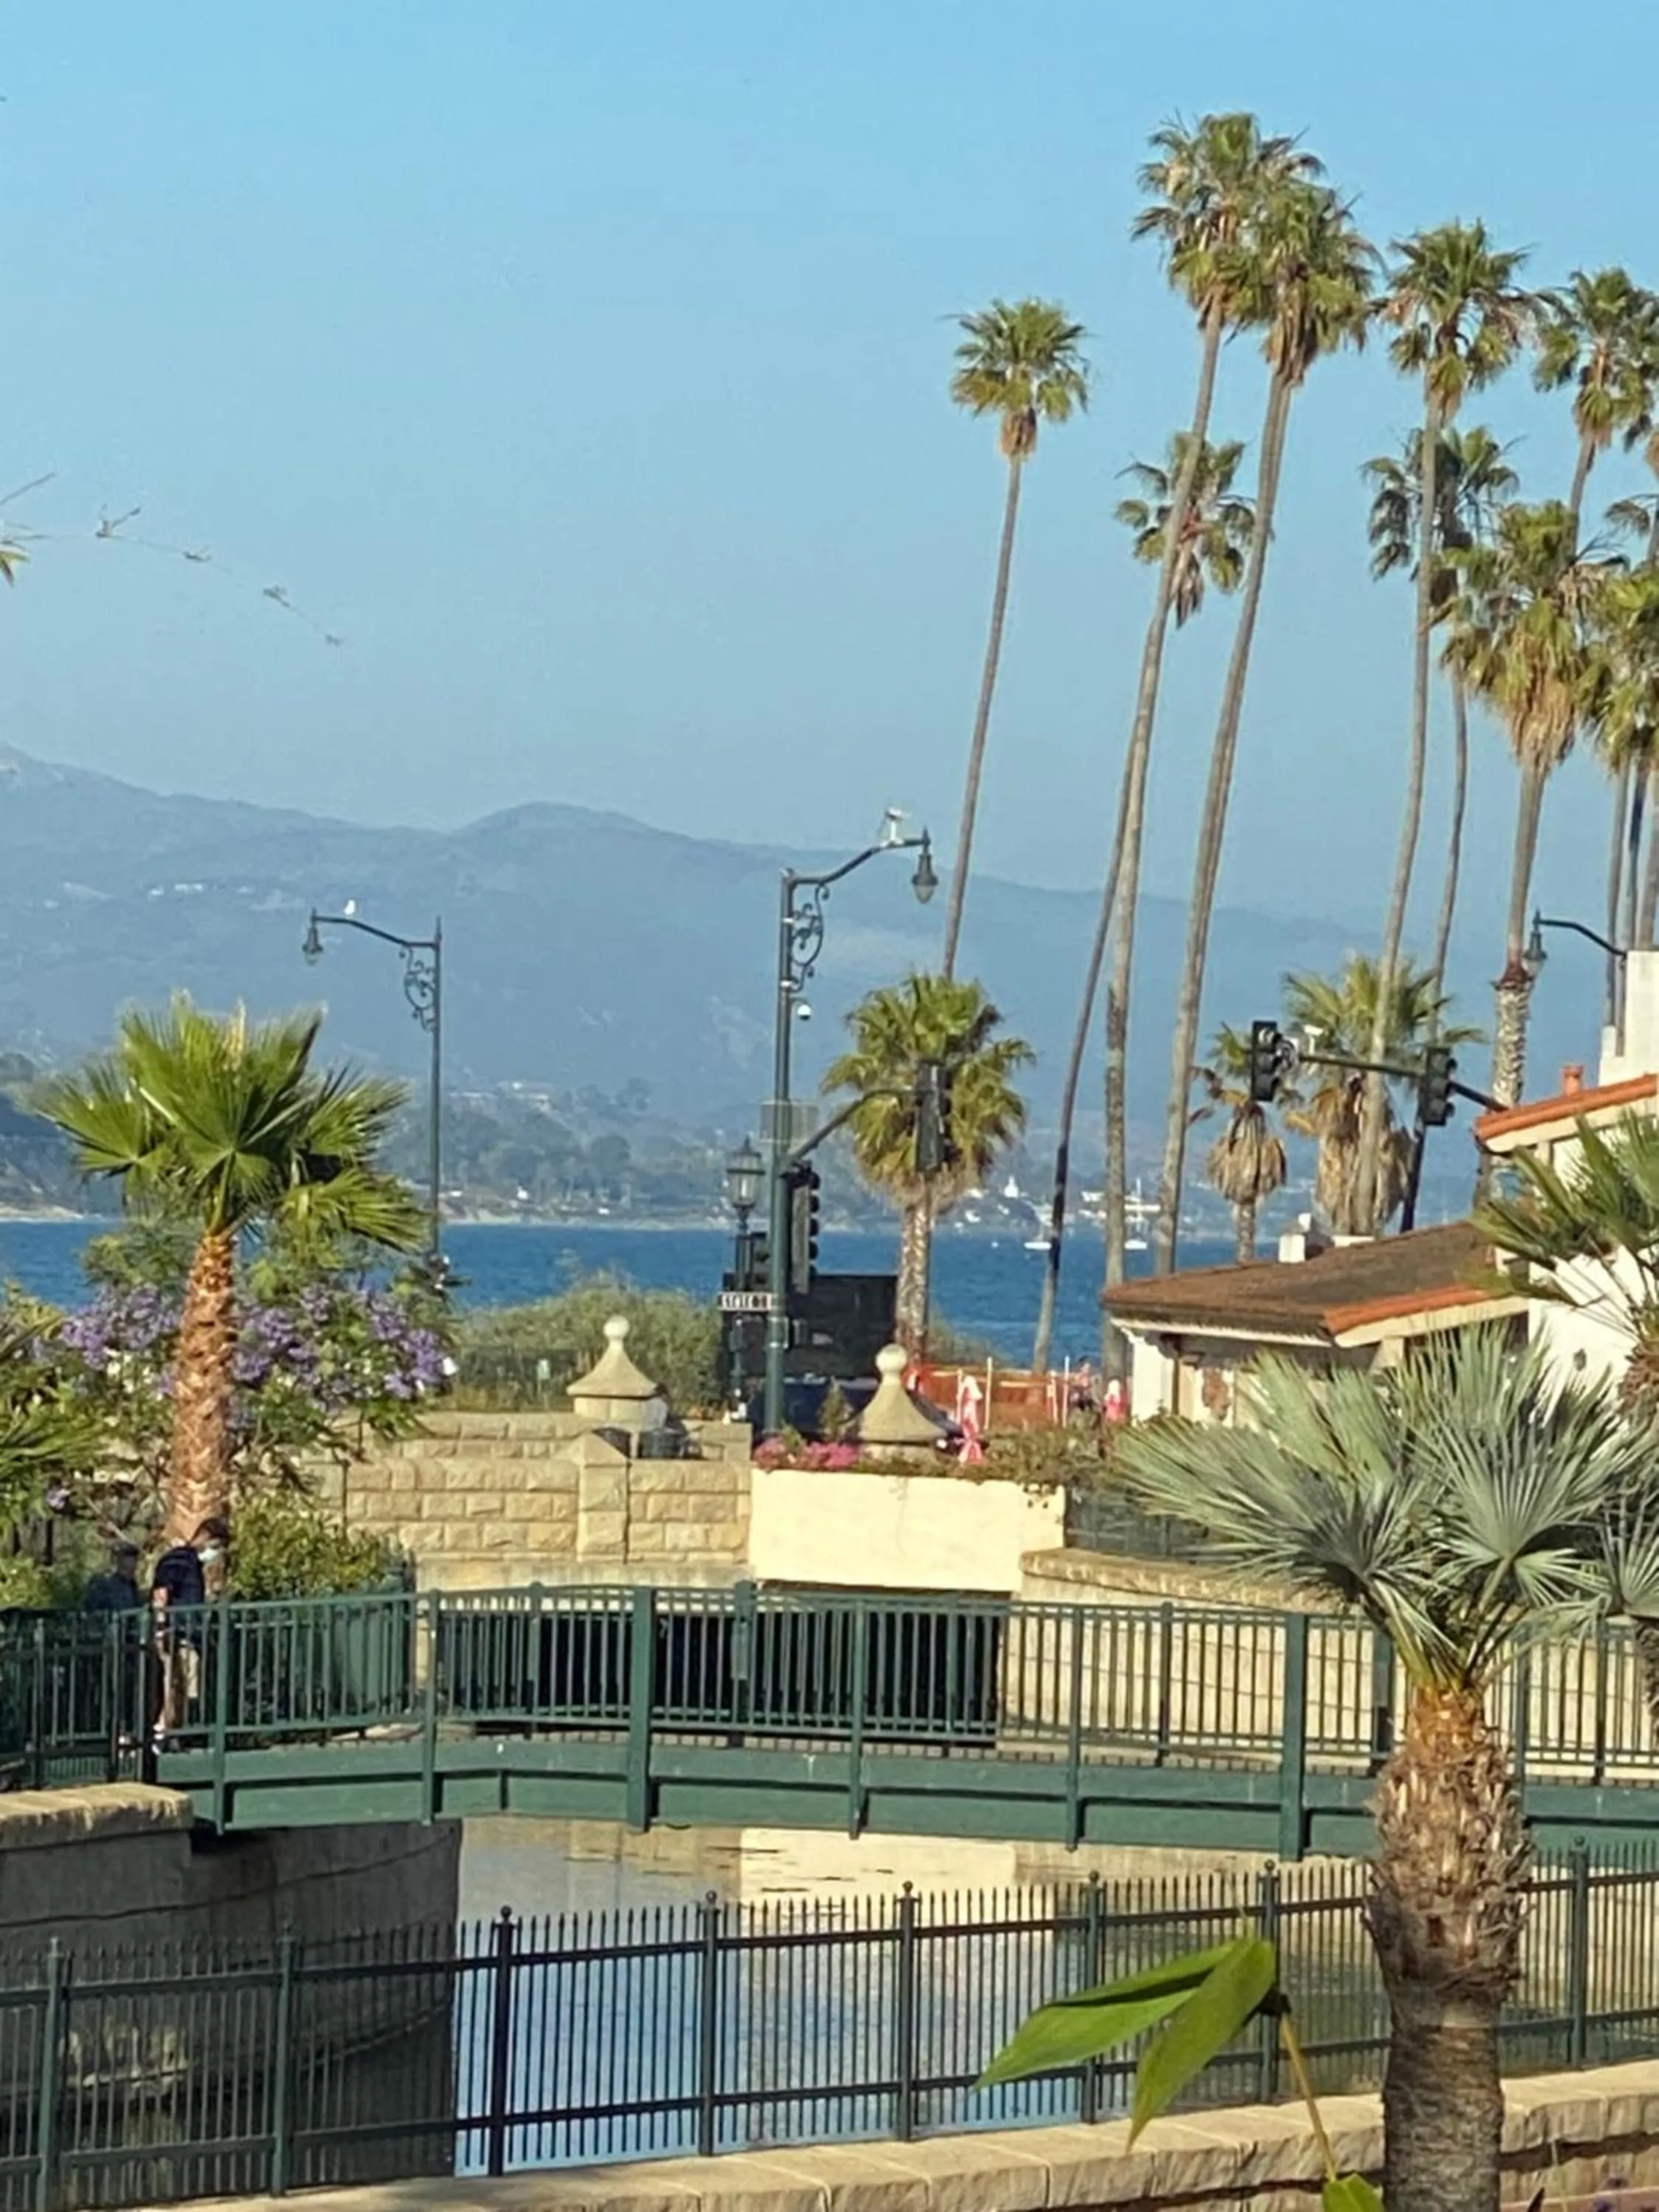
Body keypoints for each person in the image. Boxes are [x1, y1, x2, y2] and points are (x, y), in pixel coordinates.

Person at [150, 1517, 229, 1743]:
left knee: (183, 1687)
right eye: (217, 1547)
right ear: (207, 1538)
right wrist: (162, 1626)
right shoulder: (178, 1560)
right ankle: (162, 1732)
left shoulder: (194, 1564)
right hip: (175, 1633)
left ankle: (173, 1733)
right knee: (173, 1684)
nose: (217, 1554)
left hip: (187, 1635)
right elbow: (161, 1593)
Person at [84, 1541, 143, 1613]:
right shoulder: (102, 1583)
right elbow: (91, 1611)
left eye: (134, 1559)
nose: (134, 1564)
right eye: (128, 1557)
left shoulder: (132, 1585)